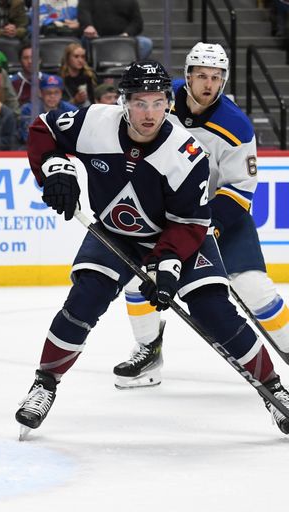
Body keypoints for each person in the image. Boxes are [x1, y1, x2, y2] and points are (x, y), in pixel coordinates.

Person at [15, 60, 289, 437]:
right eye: (140, 103)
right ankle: (44, 385)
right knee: (85, 299)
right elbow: (43, 129)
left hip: (178, 236)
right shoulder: (96, 122)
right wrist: (55, 169)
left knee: (214, 310)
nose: (150, 113)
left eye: (159, 102)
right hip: (116, 233)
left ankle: (273, 389)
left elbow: (191, 221)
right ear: (123, 102)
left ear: (168, 104)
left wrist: (168, 265)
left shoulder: (185, 153)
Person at [113, 43, 289, 389]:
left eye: (216, 77)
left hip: (220, 216)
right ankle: (148, 352)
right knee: (138, 278)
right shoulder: (161, 100)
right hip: (161, 213)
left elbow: (240, 187)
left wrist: (212, 227)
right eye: (202, 76)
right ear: (188, 76)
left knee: (253, 287)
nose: (209, 84)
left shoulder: (236, 125)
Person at [78, 0, 152, 59]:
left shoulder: (131, 1)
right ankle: (94, 72)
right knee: (83, 41)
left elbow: (137, 23)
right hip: (96, 37)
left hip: (123, 39)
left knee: (146, 43)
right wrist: (88, 25)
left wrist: (126, 34)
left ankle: (128, 69)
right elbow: (84, 13)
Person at [19, 74, 77, 144]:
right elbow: (27, 137)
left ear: (61, 94)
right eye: (48, 93)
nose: (52, 96)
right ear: (41, 93)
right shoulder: (29, 110)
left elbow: (74, 138)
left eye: (56, 92)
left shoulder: (71, 111)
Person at [58, 42, 97, 108]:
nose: (80, 60)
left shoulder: (89, 76)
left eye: (83, 57)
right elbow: (58, 105)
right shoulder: (60, 78)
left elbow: (94, 100)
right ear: (68, 58)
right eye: (76, 56)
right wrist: (75, 100)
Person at [10, 40, 34, 106]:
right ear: (20, 61)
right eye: (26, 58)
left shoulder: (48, 81)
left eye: (33, 57)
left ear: (40, 60)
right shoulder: (12, 82)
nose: (30, 61)